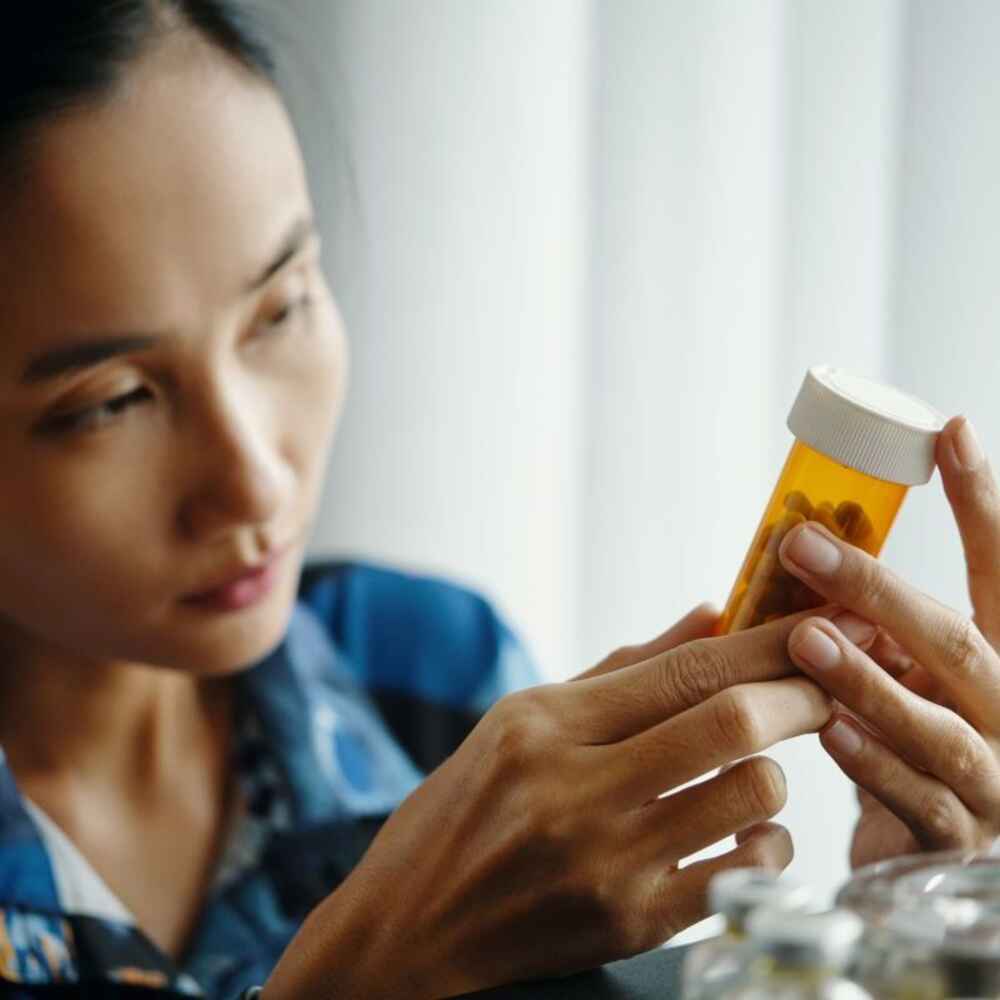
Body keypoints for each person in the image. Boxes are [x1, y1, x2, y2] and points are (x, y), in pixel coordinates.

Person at [2, 3, 999, 998]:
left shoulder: (426, 673)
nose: (255, 479)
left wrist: (916, 931)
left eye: (282, 306)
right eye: (110, 402)